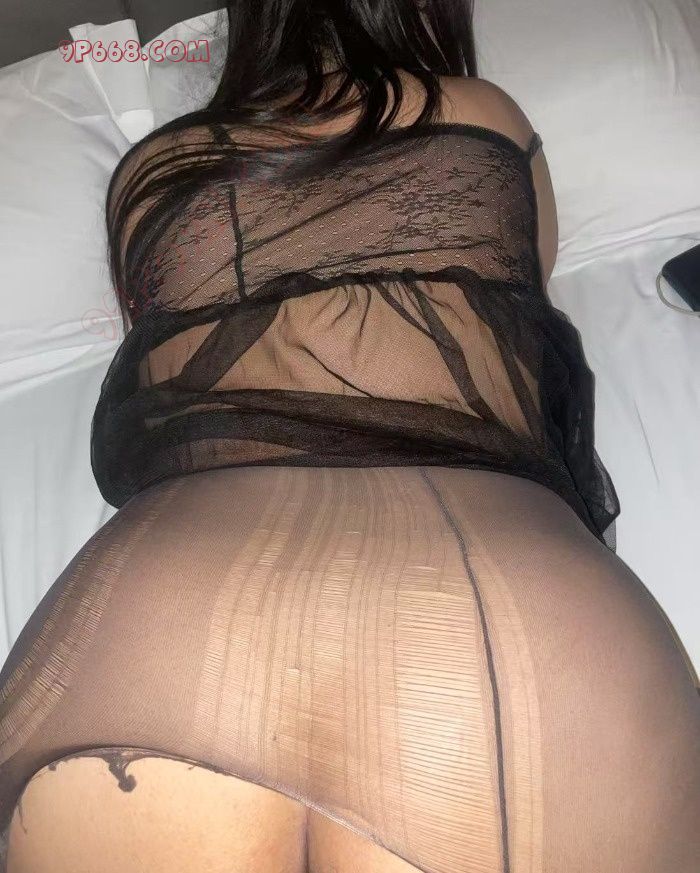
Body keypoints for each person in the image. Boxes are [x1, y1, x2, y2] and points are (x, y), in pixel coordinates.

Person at [1, 1, 698, 871]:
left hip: (171, 609)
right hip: (490, 602)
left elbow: (155, 333)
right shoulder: (485, 116)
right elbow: (523, 282)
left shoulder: (153, 168)